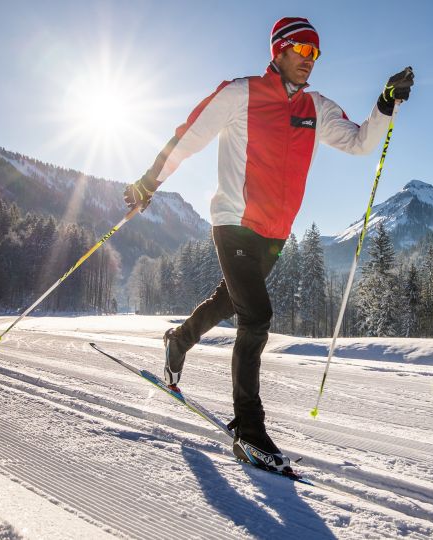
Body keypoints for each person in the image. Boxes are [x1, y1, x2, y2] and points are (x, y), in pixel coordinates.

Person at [123, 16, 413, 473]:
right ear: (278, 49)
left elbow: (359, 143)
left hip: (275, 234)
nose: (309, 61)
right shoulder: (241, 93)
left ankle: (178, 342)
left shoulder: (316, 107)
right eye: (302, 50)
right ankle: (249, 429)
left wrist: (384, 104)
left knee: (229, 303)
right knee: (257, 317)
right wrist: (149, 180)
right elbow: (190, 134)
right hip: (234, 222)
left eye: (316, 54)